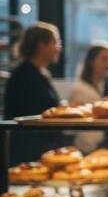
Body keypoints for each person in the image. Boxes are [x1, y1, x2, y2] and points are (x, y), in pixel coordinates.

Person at [3, 22, 66, 163]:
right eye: (55, 42)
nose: (58, 48)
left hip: (38, 147)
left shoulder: (39, 74)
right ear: (41, 45)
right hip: (30, 152)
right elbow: (32, 115)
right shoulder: (24, 76)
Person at [69, 41, 108, 151]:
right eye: (104, 59)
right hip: (86, 148)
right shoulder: (81, 90)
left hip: (99, 146)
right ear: (91, 61)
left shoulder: (102, 87)